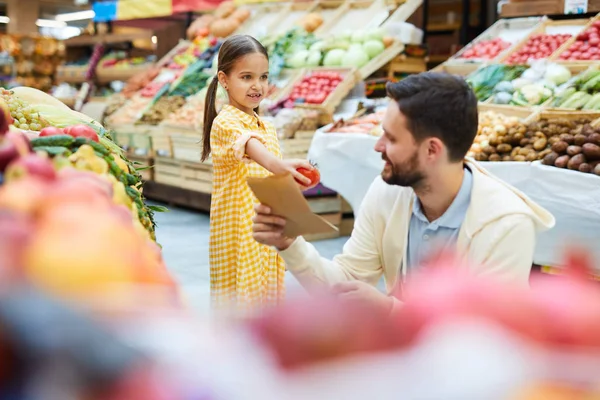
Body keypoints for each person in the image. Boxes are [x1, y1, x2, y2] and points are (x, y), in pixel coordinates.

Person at [252, 72, 555, 314]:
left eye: (391, 137)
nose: (377, 145)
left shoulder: (506, 224)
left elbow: (484, 336)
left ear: (432, 149)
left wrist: (388, 310)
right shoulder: (388, 192)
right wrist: (289, 242)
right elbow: (347, 285)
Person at [202, 35, 314, 311]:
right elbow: (250, 147)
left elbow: (270, 176)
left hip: (265, 228)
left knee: (265, 298)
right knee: (241, 304)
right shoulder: (225, 122)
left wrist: (289, 184)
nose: (257, 86)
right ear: (224, 79)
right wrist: (279, 166)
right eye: (246, 77)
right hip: (239, 233)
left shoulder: (265, 125)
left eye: (263, 77)